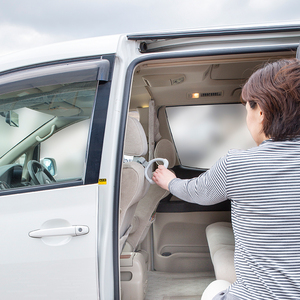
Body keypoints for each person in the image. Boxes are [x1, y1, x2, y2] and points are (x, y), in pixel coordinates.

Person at [152, 58, 300, 300]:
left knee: (214, 289)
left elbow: (198, 192)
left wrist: (169, 181)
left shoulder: (238, 165)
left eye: (247, 109)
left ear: (260, 111)